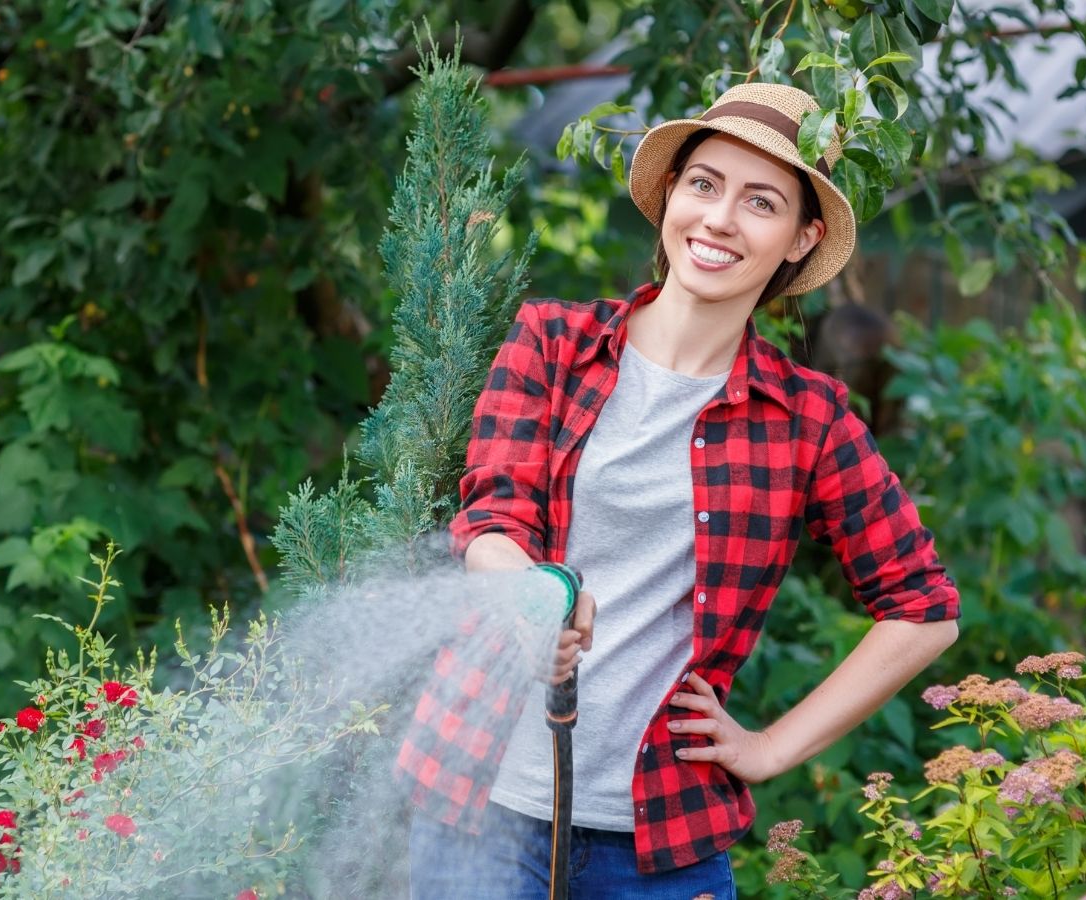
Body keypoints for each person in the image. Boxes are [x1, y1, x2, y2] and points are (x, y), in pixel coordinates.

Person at [398, 83, 962, 898]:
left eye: (759, 202)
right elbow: (490, 521)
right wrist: (532, 592)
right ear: (670, 196)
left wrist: (770, 749)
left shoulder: (808, 420)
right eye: (704, 184)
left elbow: (923, 609)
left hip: (660, 842)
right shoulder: (552, 344)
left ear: (802, 239)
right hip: (479, 807)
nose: (721, 219)